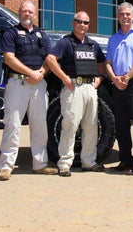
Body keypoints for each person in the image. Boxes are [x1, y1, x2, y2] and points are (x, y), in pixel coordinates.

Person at [0, 0, 57, 180]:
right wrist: (31, 73)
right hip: (17, 84)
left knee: (39, 126)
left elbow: (50, 59)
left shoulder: (42, 35)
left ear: (35, 14)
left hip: (38, 85)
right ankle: (6, 166)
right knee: (12, 125)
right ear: (19, 13)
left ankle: (39, 164)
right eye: (24, 11)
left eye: (30, 12)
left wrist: (40, 73)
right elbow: (9, 59)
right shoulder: (10, 33)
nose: (27, 14)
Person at [46, 11, 106, 177]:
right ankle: (65, 163)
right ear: (73, 23)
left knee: (91, 126)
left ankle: (89, 161)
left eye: (86, 22)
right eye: (79, 21)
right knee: (70, 126)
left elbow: (102, 62)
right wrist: (64, 78)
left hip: (90, 89)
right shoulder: (65, 42)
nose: (82, 25)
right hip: (73, 88)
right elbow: (51, 59)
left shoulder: (93, 44)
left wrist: (99, 78)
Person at [106, 2, 133, 175]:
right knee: (121, 124)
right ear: (117, 17)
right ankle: (125, 160)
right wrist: (114, 79)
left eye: (128, 14)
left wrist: (126, 77)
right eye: (122, 14)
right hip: (117, 84)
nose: (125, 17)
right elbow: (108, 63)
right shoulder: (113, 38)